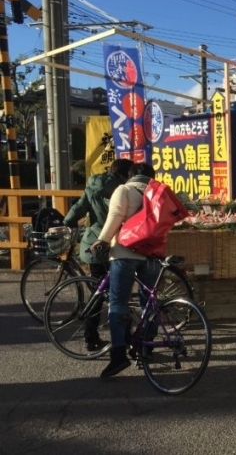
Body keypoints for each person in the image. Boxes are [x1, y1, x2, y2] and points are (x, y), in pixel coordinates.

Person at [90, 163, 161, 378]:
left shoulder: (124, 190)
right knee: (149, 300)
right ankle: (146, 346)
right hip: (152, 254)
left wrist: (102, 240)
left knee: (118, 303)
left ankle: (119, 354)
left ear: (130, 176)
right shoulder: (159, 193)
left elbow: (115, 216)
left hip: (125, 254)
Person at [63, 159, 134, 351]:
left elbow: (77, 209)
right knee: (120, 295)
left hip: (93, 245)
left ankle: (90, 338)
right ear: (125, 174)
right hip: (116, 244)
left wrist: (67, 221)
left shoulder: (91, 187)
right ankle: (125, 339)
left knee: (97, 294)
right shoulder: (124, 190)